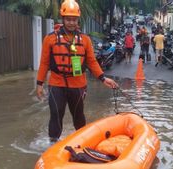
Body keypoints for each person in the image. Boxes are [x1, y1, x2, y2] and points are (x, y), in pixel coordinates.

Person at [36, 0, 118, 143]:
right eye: (68, 19)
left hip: (78, 85)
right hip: (57, 83)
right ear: (63, 18)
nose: (71, 23)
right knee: (56, 114)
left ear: (78, 19)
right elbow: (44, 63)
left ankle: (83, 141)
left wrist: (104, 79)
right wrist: (39, 84)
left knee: (78, 116)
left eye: (74, 19)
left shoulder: (85, 40)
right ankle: (53, 144)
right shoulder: (50, 39)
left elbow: (92, 62)